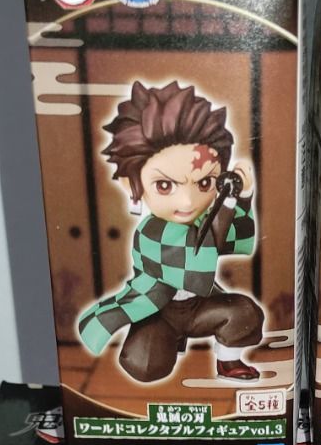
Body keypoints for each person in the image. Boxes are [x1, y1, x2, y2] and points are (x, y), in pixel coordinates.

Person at [77, 80, 264, 383]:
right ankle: (161, 340)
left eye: (205, 183)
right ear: (131, 183)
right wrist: (228, 201)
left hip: (200, 307)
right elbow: (203, 245)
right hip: (158, 309)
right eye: (164, 185)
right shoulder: (152, 232)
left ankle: (228, 363)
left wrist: (242, 196)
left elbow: (231, 238)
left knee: (244, 312)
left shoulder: (209, 217)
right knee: (146, 365)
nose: (187, 202)